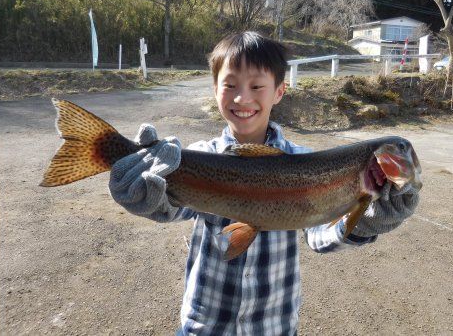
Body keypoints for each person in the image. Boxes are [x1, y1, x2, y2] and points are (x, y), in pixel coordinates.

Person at [109, 31, 420, 335]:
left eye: (257, 86)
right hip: (203, 326)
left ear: (279, 92)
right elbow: (173, 208)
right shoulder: (196, 157)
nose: (243, 97)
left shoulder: (303, 162)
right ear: (215, 89)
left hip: (273, 326)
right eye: (230, 85)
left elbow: (319, 237)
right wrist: (144, 196)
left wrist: (365, 223)